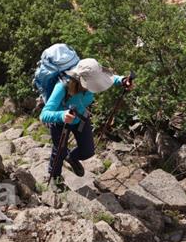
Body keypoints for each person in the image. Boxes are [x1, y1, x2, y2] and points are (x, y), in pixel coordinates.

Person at [40, 58, 133, 187]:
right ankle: (55, 178)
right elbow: (44, 115)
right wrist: (62, 115)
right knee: (59, 152)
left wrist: (122, 80)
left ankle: (71, 157)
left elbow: (110, 79)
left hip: (81, 118)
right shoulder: (62, 86)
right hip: (61, 123)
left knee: (88, 151)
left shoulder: (91, 81)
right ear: (81, 79)